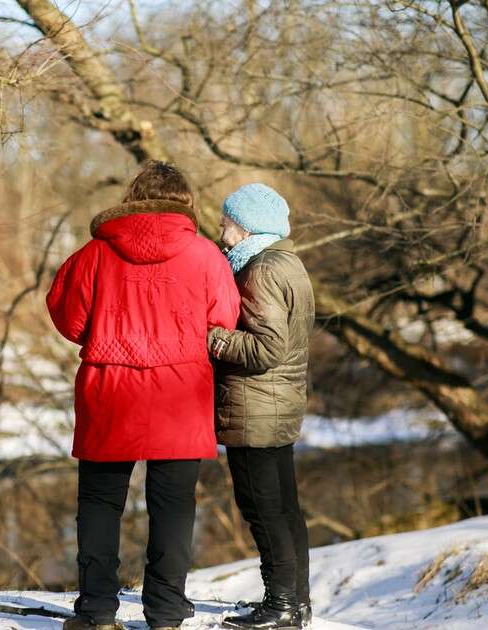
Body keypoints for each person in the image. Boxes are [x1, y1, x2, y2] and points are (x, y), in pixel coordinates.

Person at [46, 160, 240, 630]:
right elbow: (226, 318)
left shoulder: (94, 254)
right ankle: (167, 611)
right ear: (186, 203)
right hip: (181, 392)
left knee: (100, 503)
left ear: (133, 196)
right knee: (173, 505)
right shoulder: (205, 255)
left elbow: (68, 317)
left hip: (110, 388)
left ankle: (96, 611)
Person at [208, 183, 315, 630]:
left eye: (227, 223)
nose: (221, 231)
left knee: (262, 507)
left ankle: (280, 606)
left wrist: (212, 337)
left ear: (248, 226)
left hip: (256, 407)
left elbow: (267, 348)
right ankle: (296, 602)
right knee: (285, 508)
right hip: (279, 404)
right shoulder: (289, 262)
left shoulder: (260, 269)